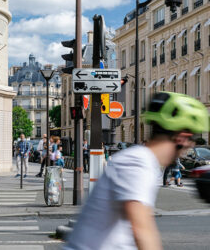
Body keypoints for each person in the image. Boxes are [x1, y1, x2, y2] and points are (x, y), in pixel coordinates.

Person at [64, 92, 209, 250]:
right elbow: (142, 230)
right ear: (182, 137)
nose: (191, 146)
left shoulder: (144, 162)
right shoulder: (137, 162)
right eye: (192, 139)